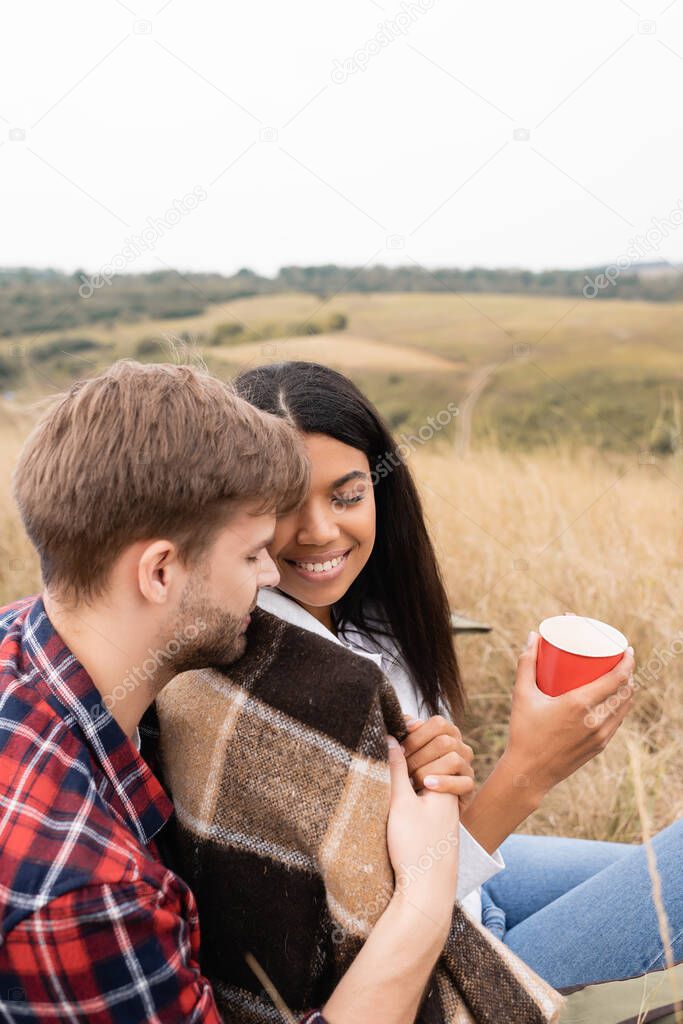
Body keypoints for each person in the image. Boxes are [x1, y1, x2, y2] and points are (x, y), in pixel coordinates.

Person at [0, 360, 461, 1024]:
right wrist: (424, 895)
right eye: (250, 555)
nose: (271, 572)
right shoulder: (90, 896)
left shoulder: (24, 640)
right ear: (160, 571)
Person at [234, 359, 683, 991]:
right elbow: (372, 929)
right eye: (283, 505)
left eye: (348, 495)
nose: (320, 532)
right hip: (442, 974)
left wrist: (440, 786)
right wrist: (529, 771)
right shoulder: (276, 672)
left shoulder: (371, 616)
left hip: (468, 896)